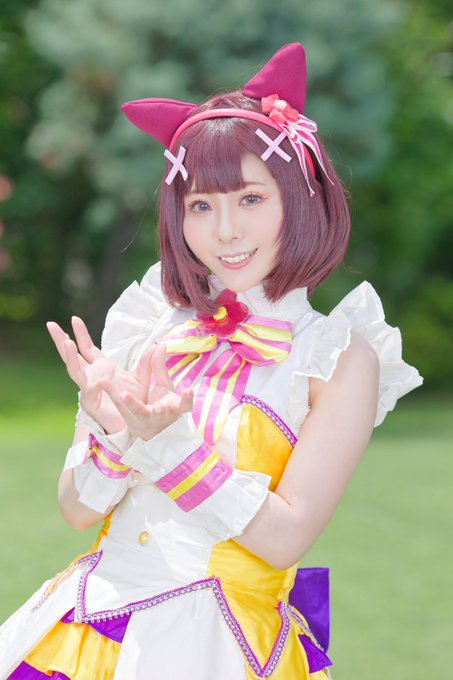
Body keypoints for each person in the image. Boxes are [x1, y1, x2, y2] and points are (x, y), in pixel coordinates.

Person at [0, 42, 422, 680]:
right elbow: (77, 510)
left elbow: (285, 537)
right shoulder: (150, 322)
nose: (224, 230)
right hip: (86, 630)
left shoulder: (338, 355)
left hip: (216, 645)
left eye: (249, 199)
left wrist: (169, 444)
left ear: (300, 197)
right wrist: (114, 431)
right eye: (201, 205)